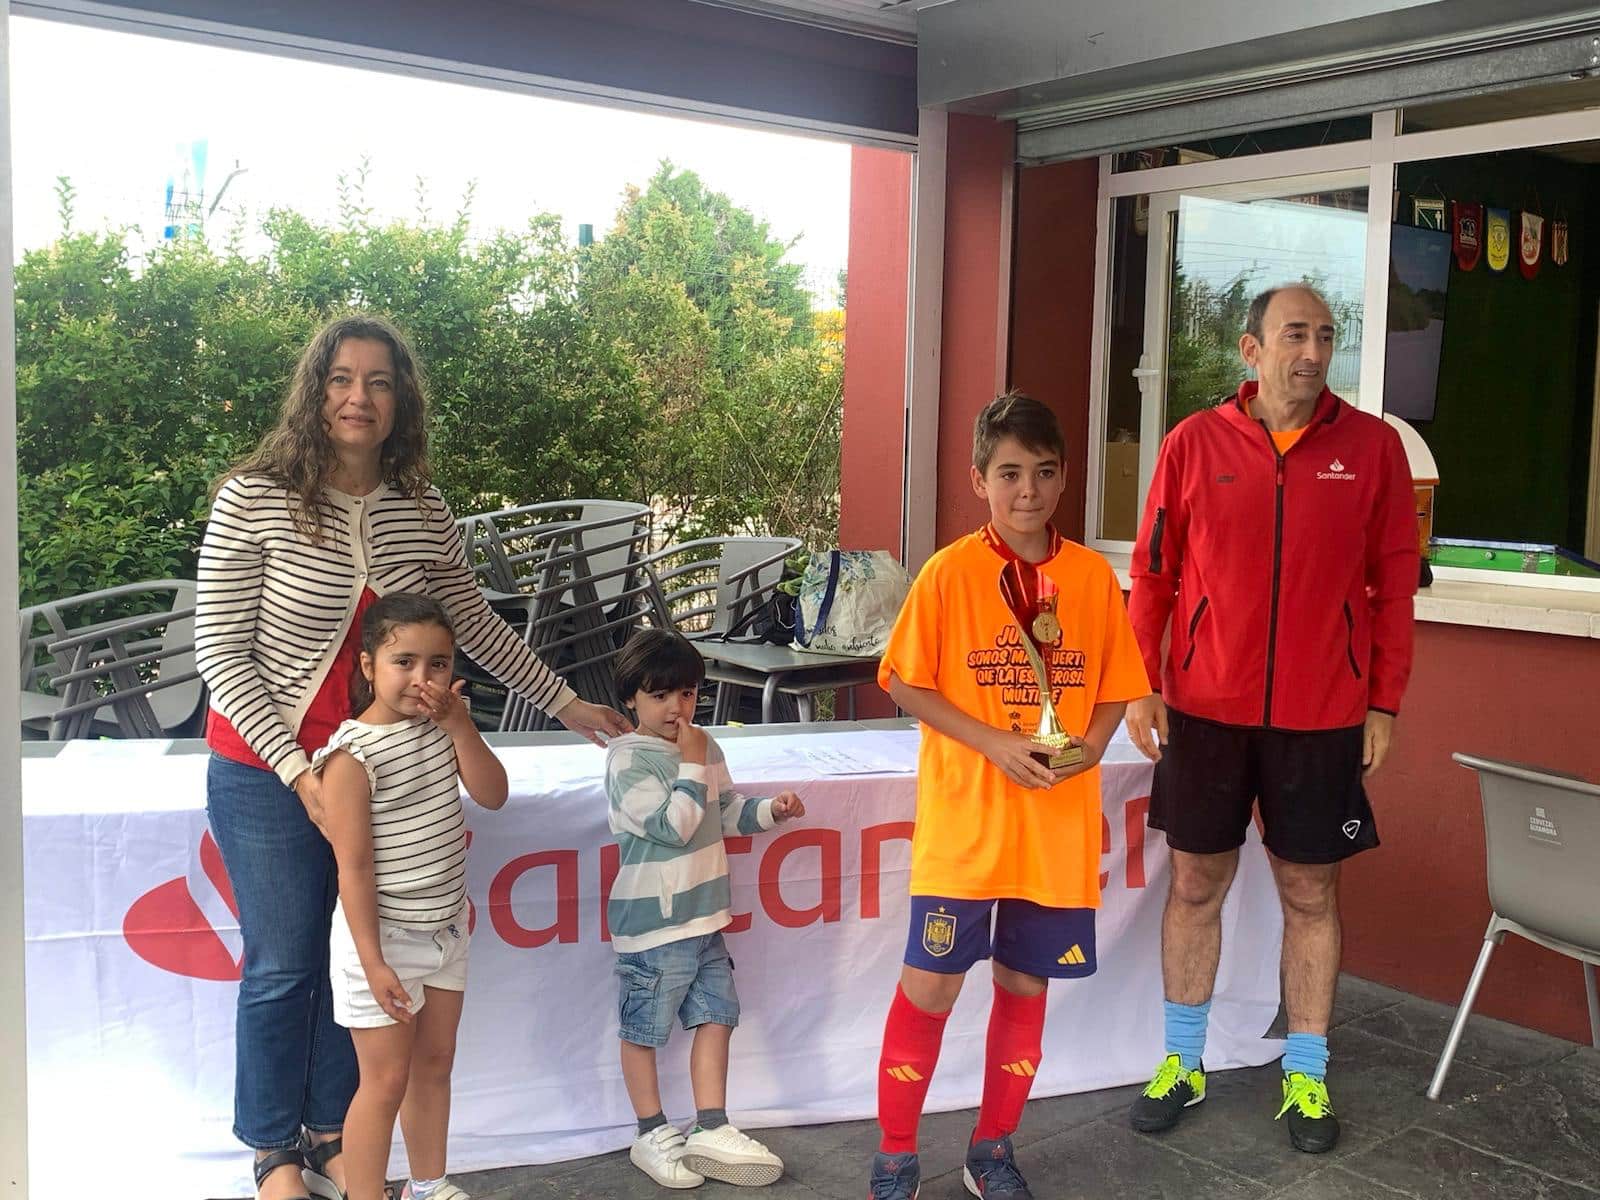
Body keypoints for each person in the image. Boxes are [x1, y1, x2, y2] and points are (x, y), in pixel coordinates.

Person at [196, 313, 630, 1200]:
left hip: (387, 770)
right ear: (315, 391)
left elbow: (472, 623)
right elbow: (221, 651)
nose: (359, 397)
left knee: (356, 960)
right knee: (284, 963)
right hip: (267, 768)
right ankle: (273, 1149)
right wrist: (299, 772)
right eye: (341, 378)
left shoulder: (422, 509)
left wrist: (565, 701)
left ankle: (331, 1134)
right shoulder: (254, 496)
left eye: (379, 381)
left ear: (401, 400)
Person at [1124, 285, 1418, 1153]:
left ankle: (1307, 1073)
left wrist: (1384, 700)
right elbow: (1154, 574)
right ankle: (1182, 1062)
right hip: (1204, 708)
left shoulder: (1372, 449)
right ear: (1251, 350)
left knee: (1310, 892)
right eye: (1296, 335)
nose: (1314, 352)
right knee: (1194, 885)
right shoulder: (1192, 442)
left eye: (1326, 336)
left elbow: (1395, 587)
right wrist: (1140, 683)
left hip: (1324, 713)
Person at [866, 393, 1150, 1200]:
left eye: (1045, 472)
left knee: (1026, 985)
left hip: (1054, 829)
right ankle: (894, 1155)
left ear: (1065, 476)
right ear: (978, 479)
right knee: (931, 985)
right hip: (966, 827)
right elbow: (903, 681)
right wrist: (992, 742)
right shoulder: (950, 573)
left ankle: (991, 1149)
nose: (1029, 490)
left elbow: (1115, 686)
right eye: (1011, 473)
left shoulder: (1090, 577)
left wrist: (1089, 748)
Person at [316, 594, 504, 1200]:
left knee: (434, 1064)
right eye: (404, 662)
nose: (423, 678)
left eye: (438, 664)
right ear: (368, 665)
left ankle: (428, 1185)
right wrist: (373, 962)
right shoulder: (350, 755)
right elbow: (354, 869)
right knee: (385, 1081)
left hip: (446, 931)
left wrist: (461, 724)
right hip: (384, 942)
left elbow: (493, 793)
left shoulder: (443, 728)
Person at [604, 628, 806, 1190]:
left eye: (687, 693)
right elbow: (674, 826)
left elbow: (724, 811)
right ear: (630, 698)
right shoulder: (627, 760)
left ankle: (711, 1126)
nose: (677, 707)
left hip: (708, 918)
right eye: (660, 695)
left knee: (718, 1016)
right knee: (643, 1031)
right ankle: (650, 1131)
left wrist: (771, 812)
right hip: (654, 927)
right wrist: (692, 762)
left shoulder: (704, 746)